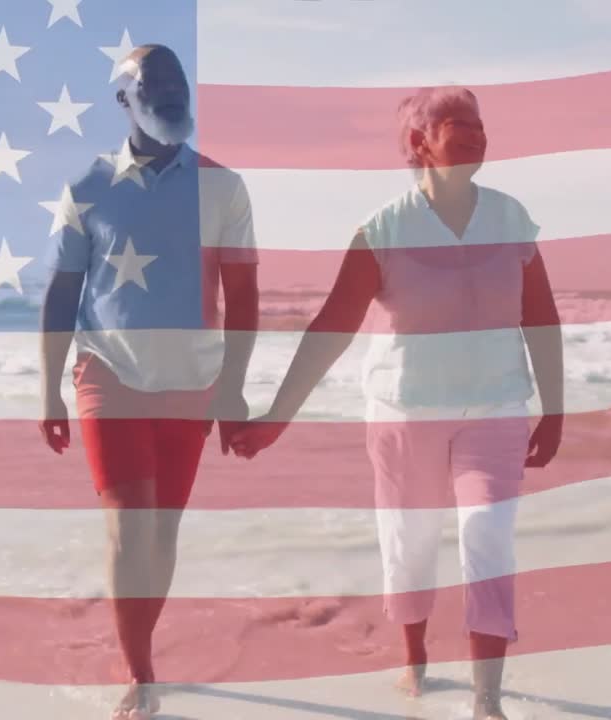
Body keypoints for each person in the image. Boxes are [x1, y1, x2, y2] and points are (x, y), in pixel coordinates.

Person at [229, 86, 563, 720]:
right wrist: (278, 417)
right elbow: (332, 326)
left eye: (479, 124)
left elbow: (541, 319)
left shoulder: (512, 218)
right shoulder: (383, 229)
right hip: (405, 412)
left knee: (487, 535)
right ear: (419, 142)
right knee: (409, 544)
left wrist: (556, 408)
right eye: (456, 124)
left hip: (495, 408)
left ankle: (486, 698)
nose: (475, 134)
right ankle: (414, 660)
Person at [38, 44, 259, 720]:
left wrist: (234, 387)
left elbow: (245, 297)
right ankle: (140, 673)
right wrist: (49, 389)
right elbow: (59, 295)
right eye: (151, 82)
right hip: (110, 375)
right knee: (133, 530)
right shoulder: (87, 189)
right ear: (123, 100)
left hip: (190, 383)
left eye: (175, 81)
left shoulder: (224, 187)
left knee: (163, 534)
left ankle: (140, 647)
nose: (167, 91)